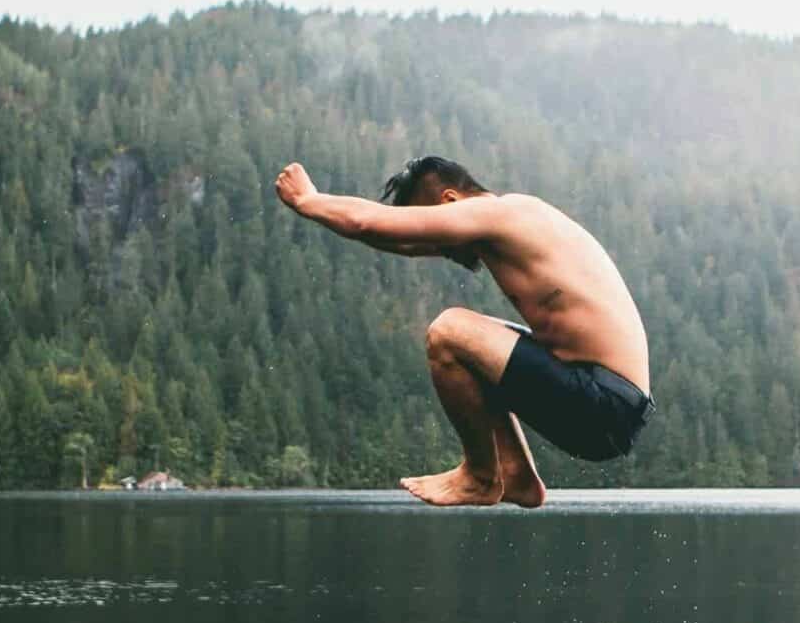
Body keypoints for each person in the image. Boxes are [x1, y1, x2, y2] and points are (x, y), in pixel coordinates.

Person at [275, 155, 653, 507]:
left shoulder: (497, 214)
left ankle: (481, 475)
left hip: (604, 403)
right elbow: (396, 239)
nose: (441, 249)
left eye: (437, 232)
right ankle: (515, 474)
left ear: (450, 200)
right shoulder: (513, 220)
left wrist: (309, 200)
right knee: (478, 346)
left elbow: (366, 222)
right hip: (610, 403)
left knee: (450, 332)